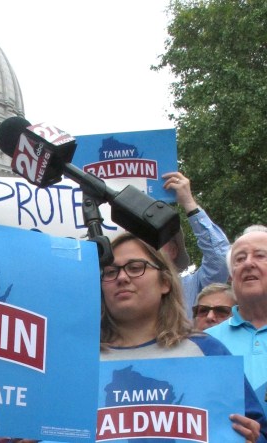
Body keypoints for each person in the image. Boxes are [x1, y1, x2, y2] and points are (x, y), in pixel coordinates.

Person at [100, 232, 265, 442]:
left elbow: (258, 431)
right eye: (110, 271)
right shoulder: (80, 362)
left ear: (165, 282)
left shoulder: (208, 351)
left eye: (135, 268)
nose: (122, 278)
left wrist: (254, 438)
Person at [205, 225, 267, 414]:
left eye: (260, 255)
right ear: (231, 277)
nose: (248, 263)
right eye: (240, 259)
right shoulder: (205, 343)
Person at [160, 171, 230, 318]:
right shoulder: (119, 286)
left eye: (156, 239)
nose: (147, 246)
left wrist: (188, 203)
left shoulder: (194, 286)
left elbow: (220, 259)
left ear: (173, 250)